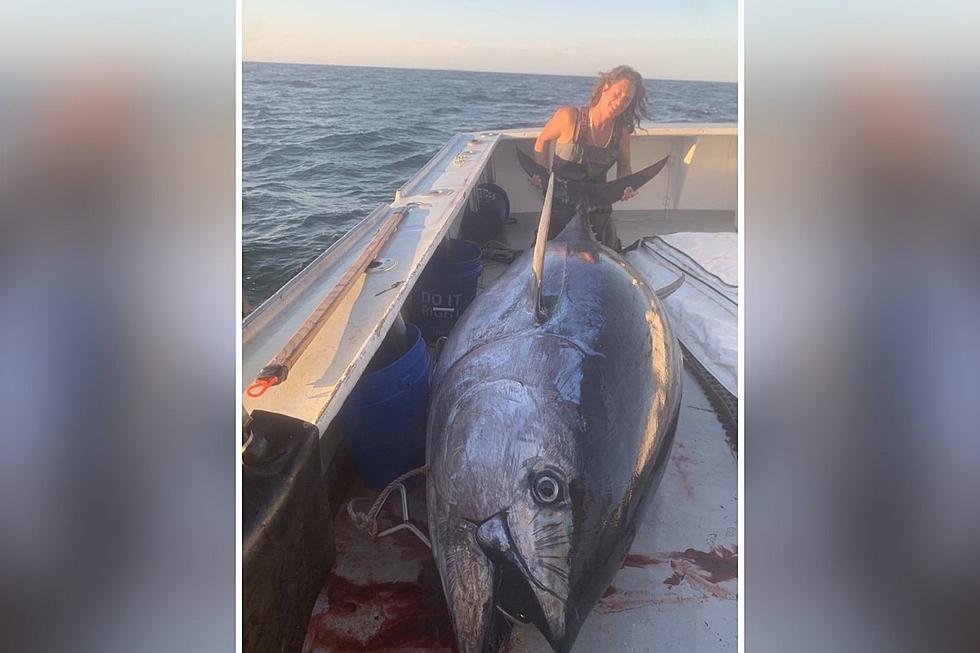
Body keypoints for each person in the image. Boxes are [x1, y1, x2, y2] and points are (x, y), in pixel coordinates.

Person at [528, 65, 649, 250]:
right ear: (605, 87)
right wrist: (541, 173)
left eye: (626, 100)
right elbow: (542, 141)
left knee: (607, 258)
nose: (619, 103)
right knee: (549, 257)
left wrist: (626, 185)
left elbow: (624, 166)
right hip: (561, 202)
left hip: (597, 205)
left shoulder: (621, 132)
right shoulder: (569, 117)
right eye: (617, 94)